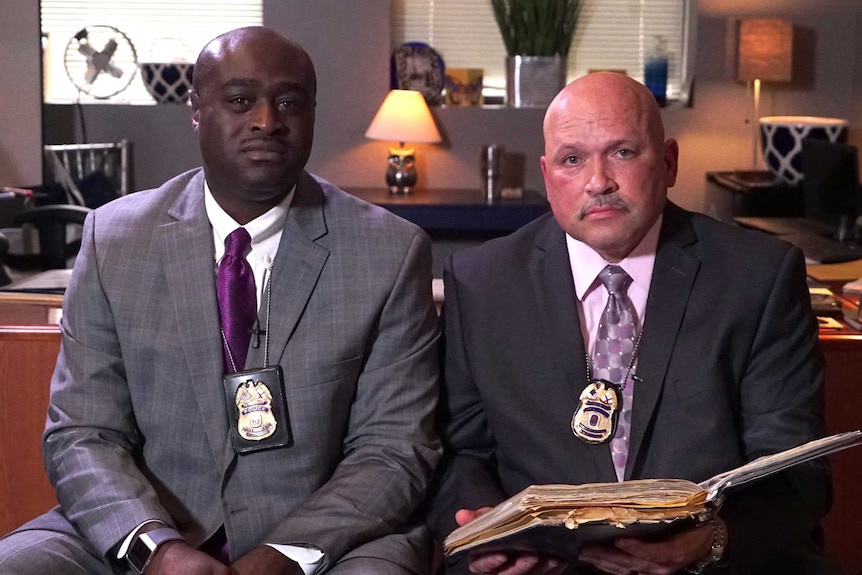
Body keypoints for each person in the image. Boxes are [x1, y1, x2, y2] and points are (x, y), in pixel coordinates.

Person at [0, 26, 441, 575]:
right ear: (195, 109)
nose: (267, 121)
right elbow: (82, 432)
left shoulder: (390, 251)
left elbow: (394, 449)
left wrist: (287, 553)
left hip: (327, 540)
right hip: (151, 524)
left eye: (289, 103)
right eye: (240, 101)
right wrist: (153, 547)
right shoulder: (114, 238)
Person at [426, 71, 837, 575]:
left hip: (713, 562)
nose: (598, 182)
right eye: (572, 159)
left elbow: (795, 467)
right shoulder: (481, 282)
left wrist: (715, 538)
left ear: (668, 163)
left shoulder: (759, 276)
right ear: (547, 173)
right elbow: (462, 451)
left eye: (622, 152)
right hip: (544, 565)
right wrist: (485, 529)